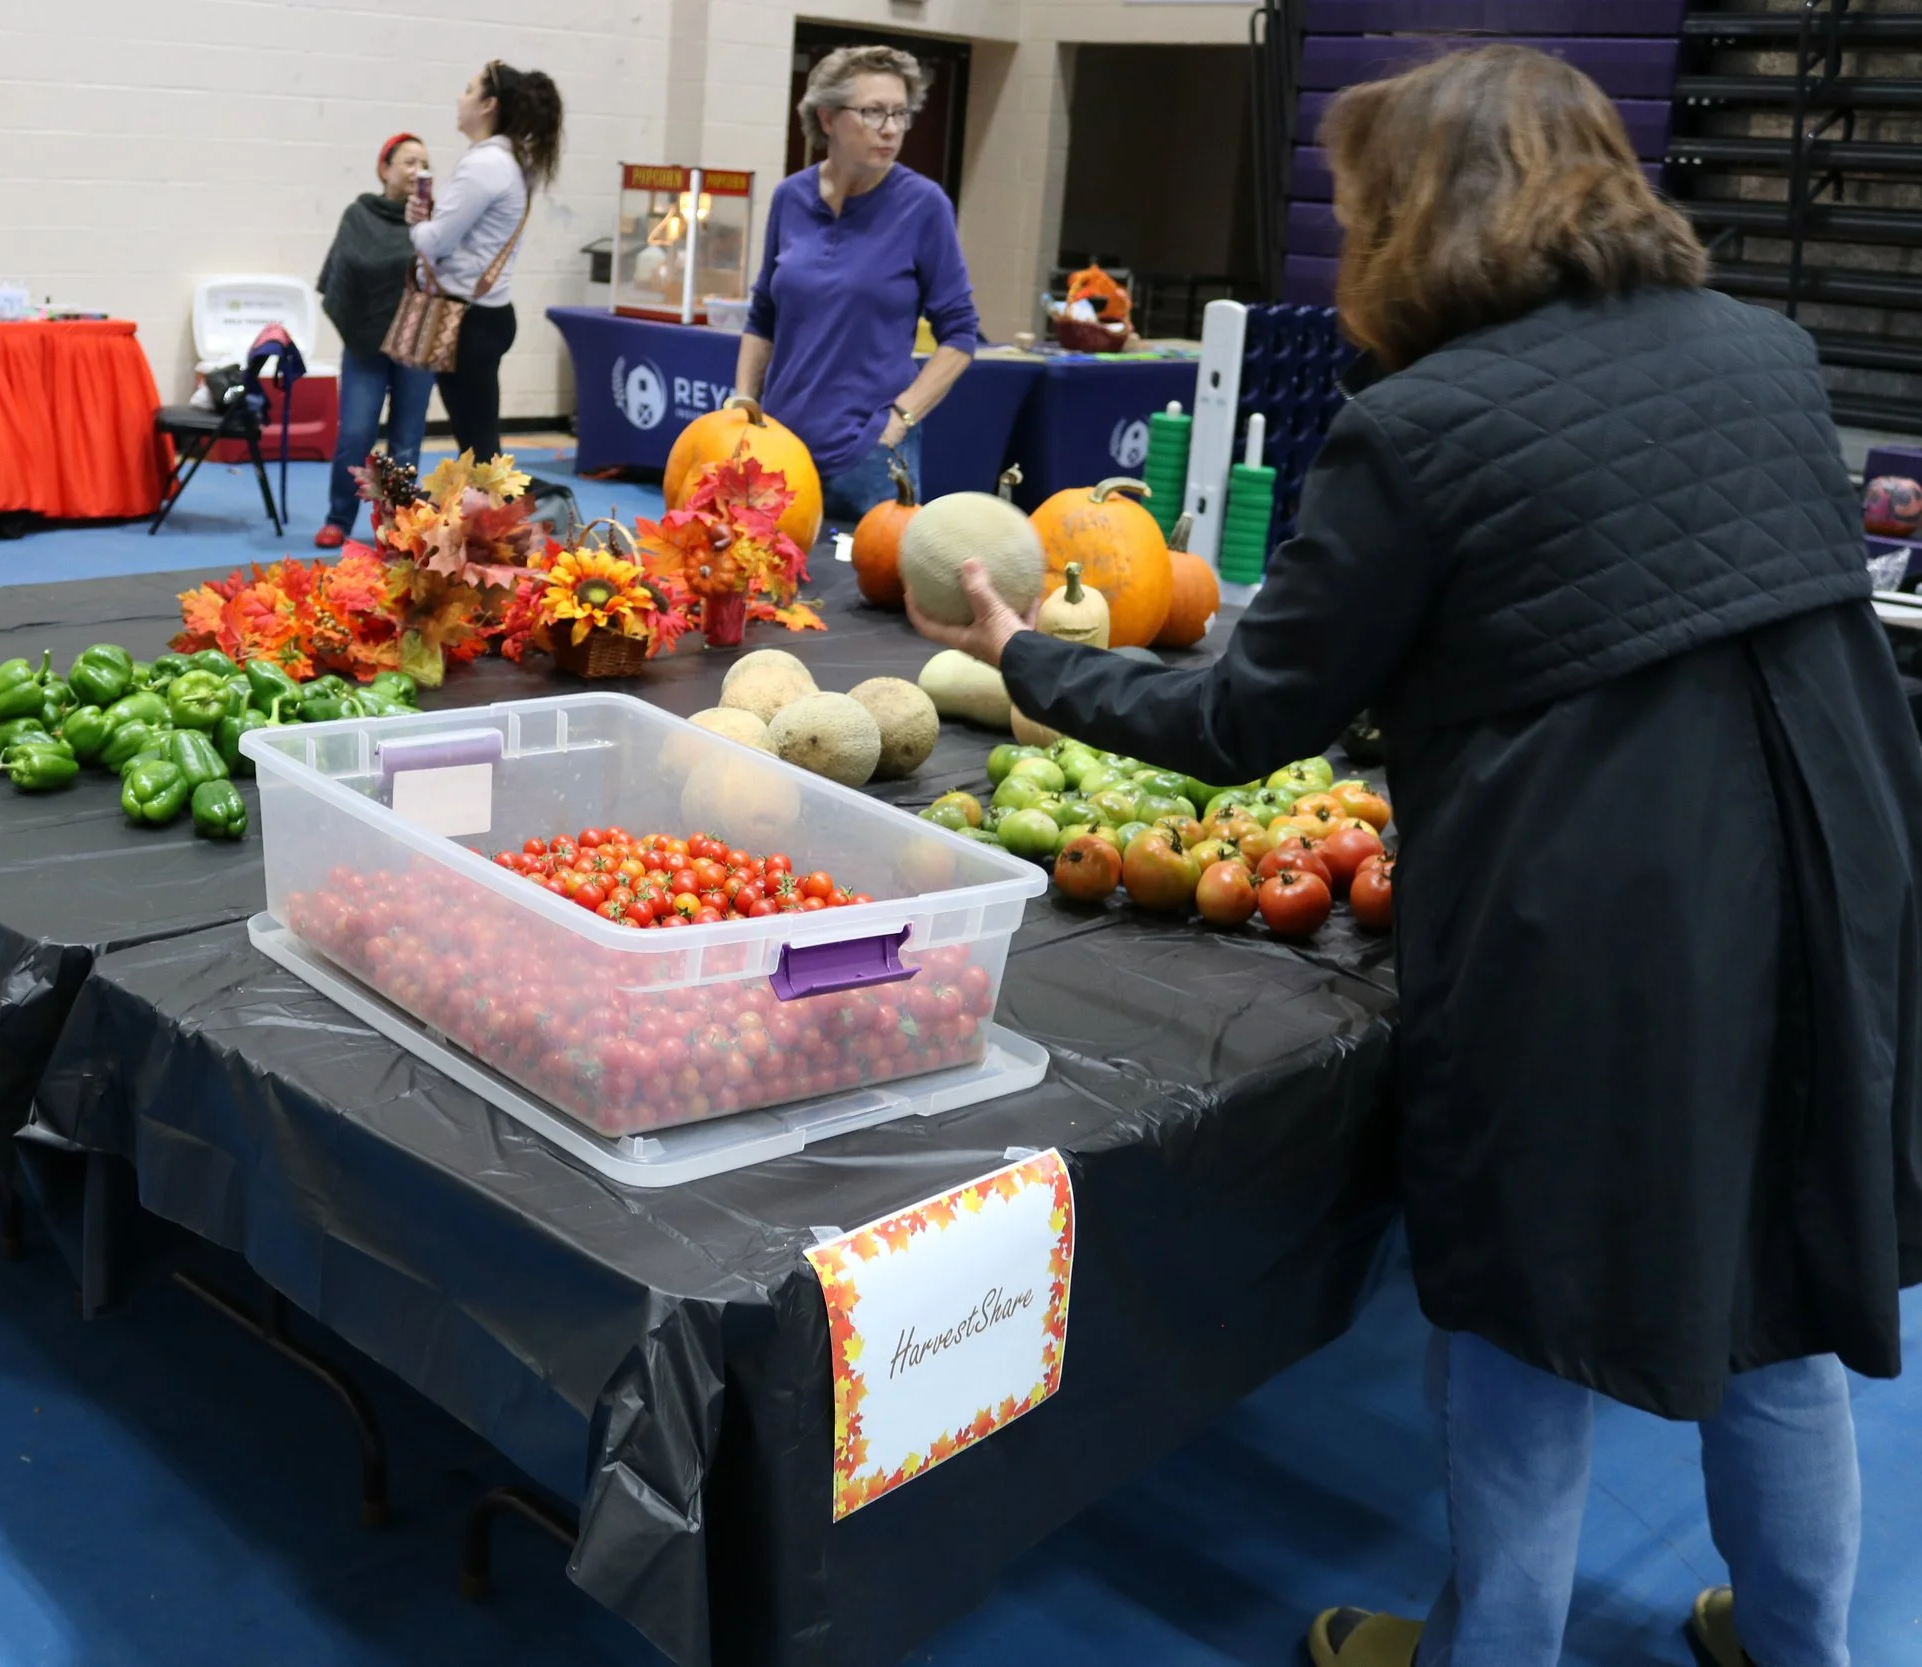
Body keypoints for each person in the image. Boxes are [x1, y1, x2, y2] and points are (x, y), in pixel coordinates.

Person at [908, 46, 1920, 1667]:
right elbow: (1616, 613)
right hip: (1829, 861)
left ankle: (1485, 1652)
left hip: (1608, 910)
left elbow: (1249, 715)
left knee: (1523, 1302)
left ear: (1418, 216)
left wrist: (1035, 660)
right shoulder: (1765, 350)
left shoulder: (1423, 425)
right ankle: (1808, 1646)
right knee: (1778, 1293)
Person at [736, 44, 979, 525]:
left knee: (865, 597)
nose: (890, 128)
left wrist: (899, 421)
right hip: (778, 455)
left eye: (900, 113)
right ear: (827, 119)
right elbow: (763, 315)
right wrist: (743, 406)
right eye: (872, 112)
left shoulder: (924, 205)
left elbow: (961, 334)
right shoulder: (790, 198)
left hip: (871, 458)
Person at [406, 59, 561, 466]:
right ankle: (489, 521)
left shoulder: (485, 164)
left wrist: (418, 228)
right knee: (476, 445)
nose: (460, 98)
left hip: (468, 320)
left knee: (479, 450)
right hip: (483, 314)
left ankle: (500, 525)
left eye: (469, 89)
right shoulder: (510, 162)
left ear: (489, 104)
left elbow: (437, 240)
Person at [314, 133, 439, 546]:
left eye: (423, 163)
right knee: (355, 432)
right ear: (384, 168)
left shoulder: (437, 219)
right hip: (365, 337)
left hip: (418, 334)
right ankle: (339, 517)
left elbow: (447, 270)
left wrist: (430, 227)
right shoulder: (359, 214)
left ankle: (398, 523)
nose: (416, 170)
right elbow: (347, 266)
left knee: (407, 438)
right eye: (407, 162)